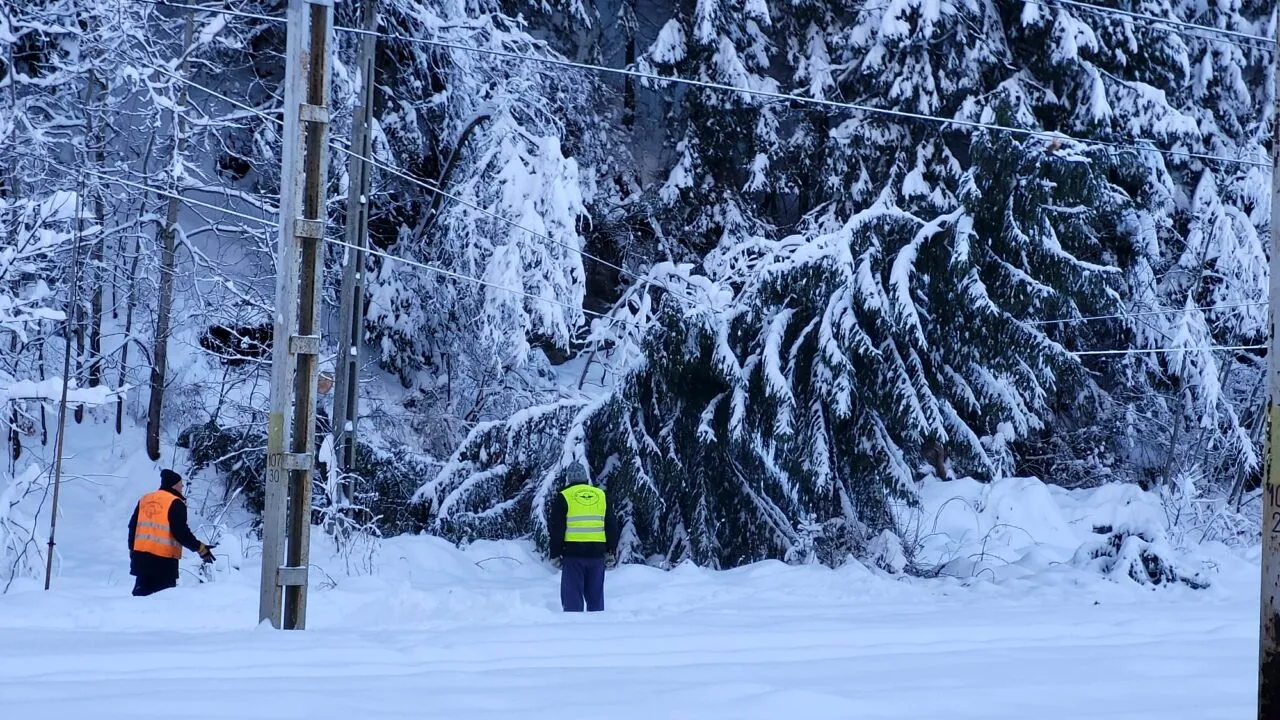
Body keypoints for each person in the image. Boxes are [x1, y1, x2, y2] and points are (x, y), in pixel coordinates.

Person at [127, 469, 215, 596]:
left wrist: (132, 549)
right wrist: (200, 548)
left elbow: (132, 527)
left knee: (140, 600)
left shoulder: (145, 499)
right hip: (163, 563)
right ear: (174, 485)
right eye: (181, 484)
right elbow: (181, 533)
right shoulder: (175, 502)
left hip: (141, 559)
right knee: (162, 602)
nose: (183, 486)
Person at [548, 463, 618, 612]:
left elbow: (557, 528)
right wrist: (610, 551)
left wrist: (554, 554)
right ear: (586, 478)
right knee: (596, 601)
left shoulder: (564, 496)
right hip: (597, 556)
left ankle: (573, 631)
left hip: (573, 556)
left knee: (572, 602)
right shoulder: (601, 495)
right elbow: (611, 525)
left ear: (569, 479)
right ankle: (596, 631)